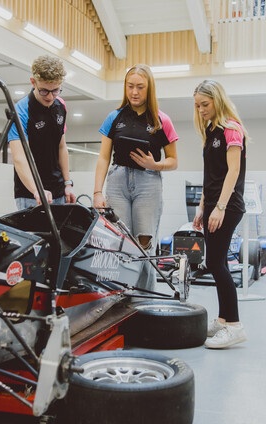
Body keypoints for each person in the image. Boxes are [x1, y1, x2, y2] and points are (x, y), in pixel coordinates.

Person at [93, 64, 179, 292]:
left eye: (140, 87)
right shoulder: (114, 117)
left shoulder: (162, 120)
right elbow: (103, 157)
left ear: (149, 89)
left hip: (148, 182)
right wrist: (97, 191)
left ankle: (145, 297)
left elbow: (173, 161)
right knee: (121, 241)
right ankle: (121, 295)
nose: (134, 92)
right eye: (130, 86)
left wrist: (155, 164)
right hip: (118, 181)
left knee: (144, 243)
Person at [191, 79, 249, 349]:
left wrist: (220, 207)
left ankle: (234, 325)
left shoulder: (231, 129)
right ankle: (224, 319)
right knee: (218, 263)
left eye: (205, 104)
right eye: (197, 105)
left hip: (228, 205)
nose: (201, 109)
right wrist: (203, 206)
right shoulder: (211, 131)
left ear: (217, 100)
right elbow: (210, 177)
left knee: (215, 264)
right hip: (214, 204)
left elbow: (232, 172)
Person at [8, 55, 76, 210]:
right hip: (30, 194)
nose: (51, 96)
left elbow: (61, 147)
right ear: (33, 82)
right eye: (44, 91)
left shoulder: (61, 105)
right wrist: (36, 189)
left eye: (56, 90)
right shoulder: (20, 111)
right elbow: (19, 158)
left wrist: (67, 183)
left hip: (59, 191)